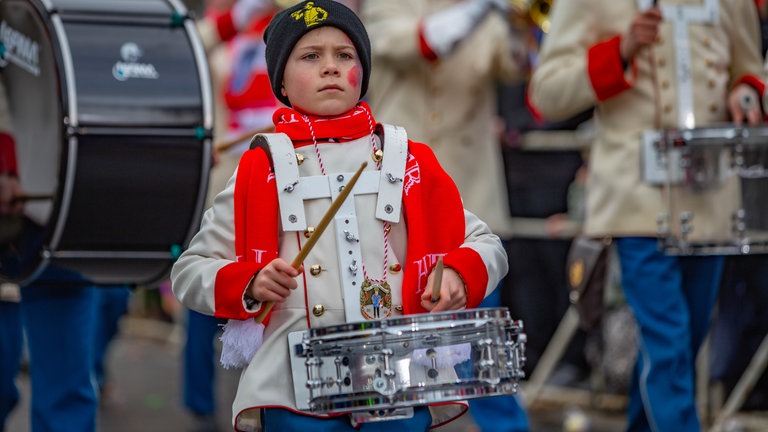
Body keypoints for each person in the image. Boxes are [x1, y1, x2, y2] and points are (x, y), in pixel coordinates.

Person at [171, 1, 509, 431]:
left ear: (363, 73)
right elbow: (189, 271)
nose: (330, 67)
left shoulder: (408, 159)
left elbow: (486, 244)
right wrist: (250, 283)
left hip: (398, 383)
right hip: (294, 390)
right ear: (282, 82)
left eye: (344, 56)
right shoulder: (261, 169)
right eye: (311, 56)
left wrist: (458, 275)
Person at [529, 1, 766, 430]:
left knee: (682, 344)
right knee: (670, 343)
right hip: (635, 197)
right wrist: (619, 51)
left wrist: (745, 91)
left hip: (710, 196)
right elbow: (546, 93)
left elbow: (751, 69)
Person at [358, 1, 529, 430]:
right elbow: (422, 42)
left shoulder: (484, 16)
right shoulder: (382, 7)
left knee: (481, 351)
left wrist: (516, 22)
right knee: (397, 354)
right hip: (393, 210)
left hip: (473, 202)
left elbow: (518, 66)